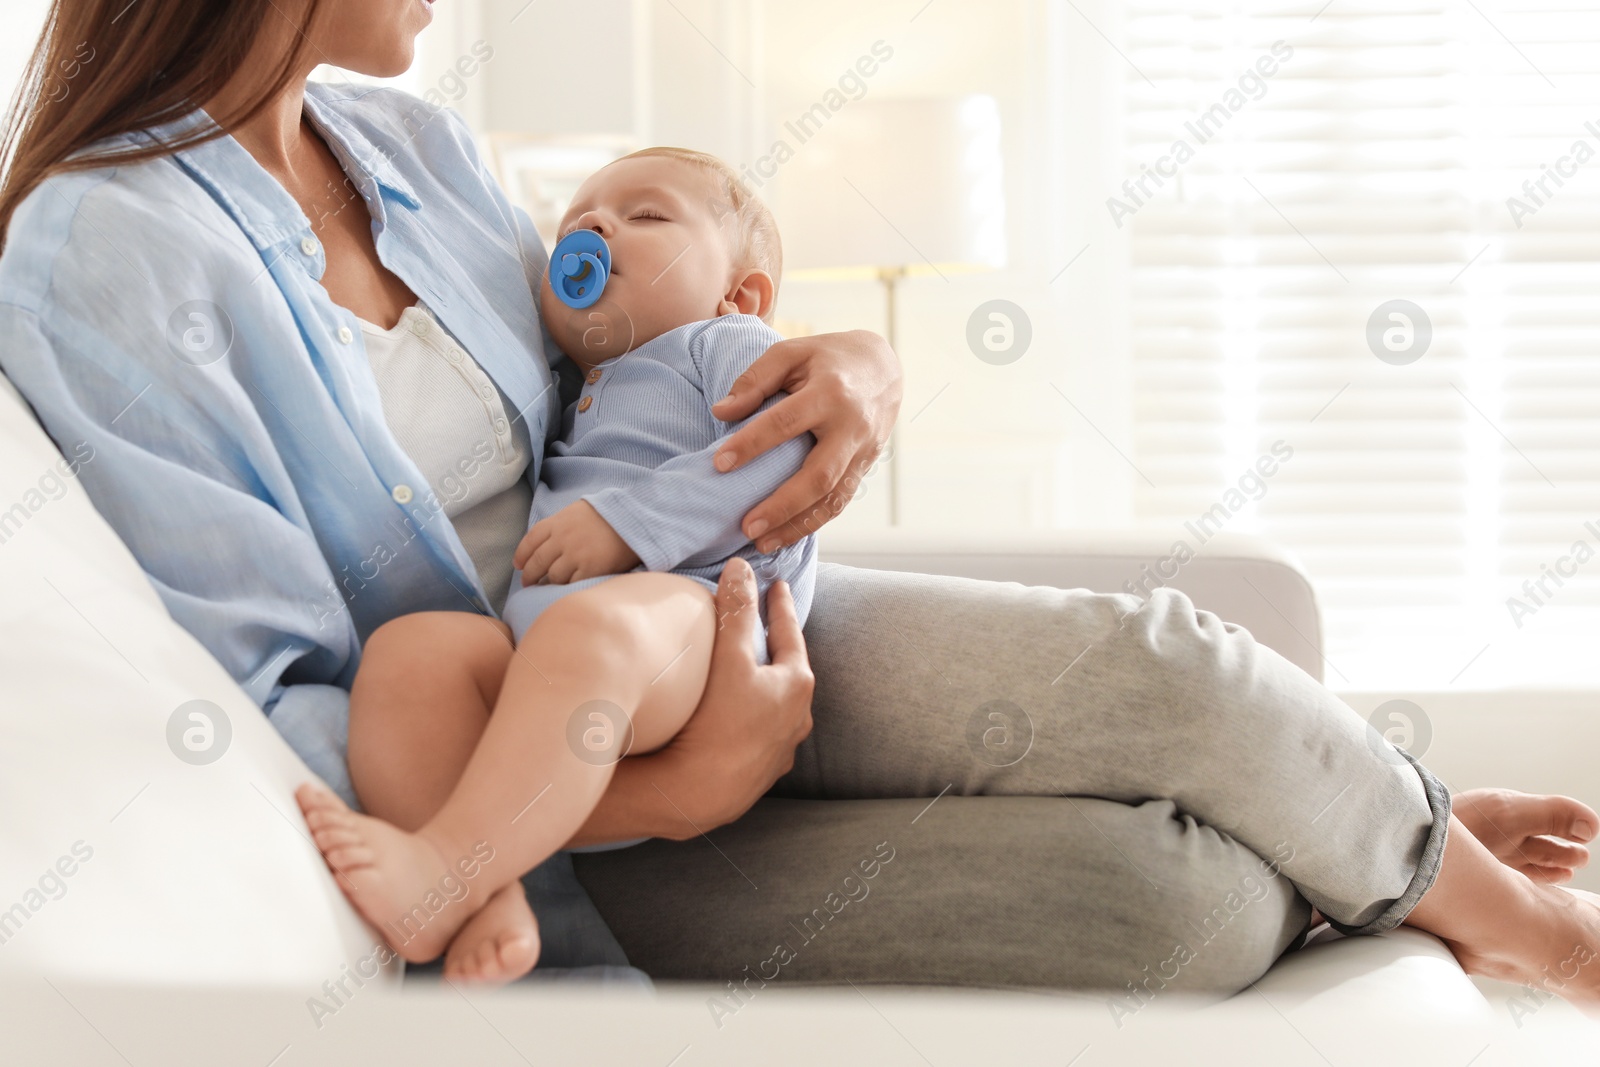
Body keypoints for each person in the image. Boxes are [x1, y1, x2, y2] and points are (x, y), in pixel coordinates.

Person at [2, 0, 1598, 1009]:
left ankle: (1490, 896)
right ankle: (1378, 828)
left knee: (1159, 658)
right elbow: (278, 706)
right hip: (523, 792)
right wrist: (675, 789)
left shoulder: (406, 143)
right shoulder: (104, 252)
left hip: (694, 621)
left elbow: (618, 387)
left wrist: (838, 355)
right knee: (1163, 907)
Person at [297, 146, 819, 985]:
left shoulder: (726, 344)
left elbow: (788, 444)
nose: (596, 226)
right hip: (553, 686)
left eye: (646, 216)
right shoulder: (576, 381)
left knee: (595, 627)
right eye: (580, 218)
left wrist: (625, 524)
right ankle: (484, 885)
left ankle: (440, 860)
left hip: (690, 623)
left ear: (738, 291)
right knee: (413, 650)